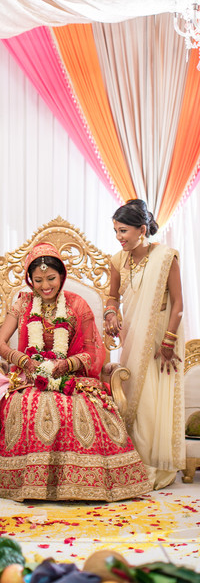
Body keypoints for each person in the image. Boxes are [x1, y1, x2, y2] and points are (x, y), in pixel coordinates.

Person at [0, 242, 151, 502]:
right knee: (27, 404)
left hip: (73, 375)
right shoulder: (23, 304)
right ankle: (31, 484)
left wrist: (66, 365)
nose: (45, 286)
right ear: (30, 280)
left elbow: (93, 352)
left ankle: (82, 483)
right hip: (30, 375)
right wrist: (24, 360)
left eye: (51, 278)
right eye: (38, 280)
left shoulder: (78, 304)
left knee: (79, 407)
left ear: (61, 276)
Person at [105, 199, 185, 490]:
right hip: (133, 336)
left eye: (123, 231)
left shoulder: (166, 257)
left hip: (161, 338)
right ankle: (132, 463)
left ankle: (153, 464)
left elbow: (178, 304)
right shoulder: (118, 260)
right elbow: (112, 296)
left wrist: (168, 343)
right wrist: (111, 312)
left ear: (142, 230)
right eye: (115, 231)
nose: (119, 237)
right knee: (132, 397)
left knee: (152, 401)